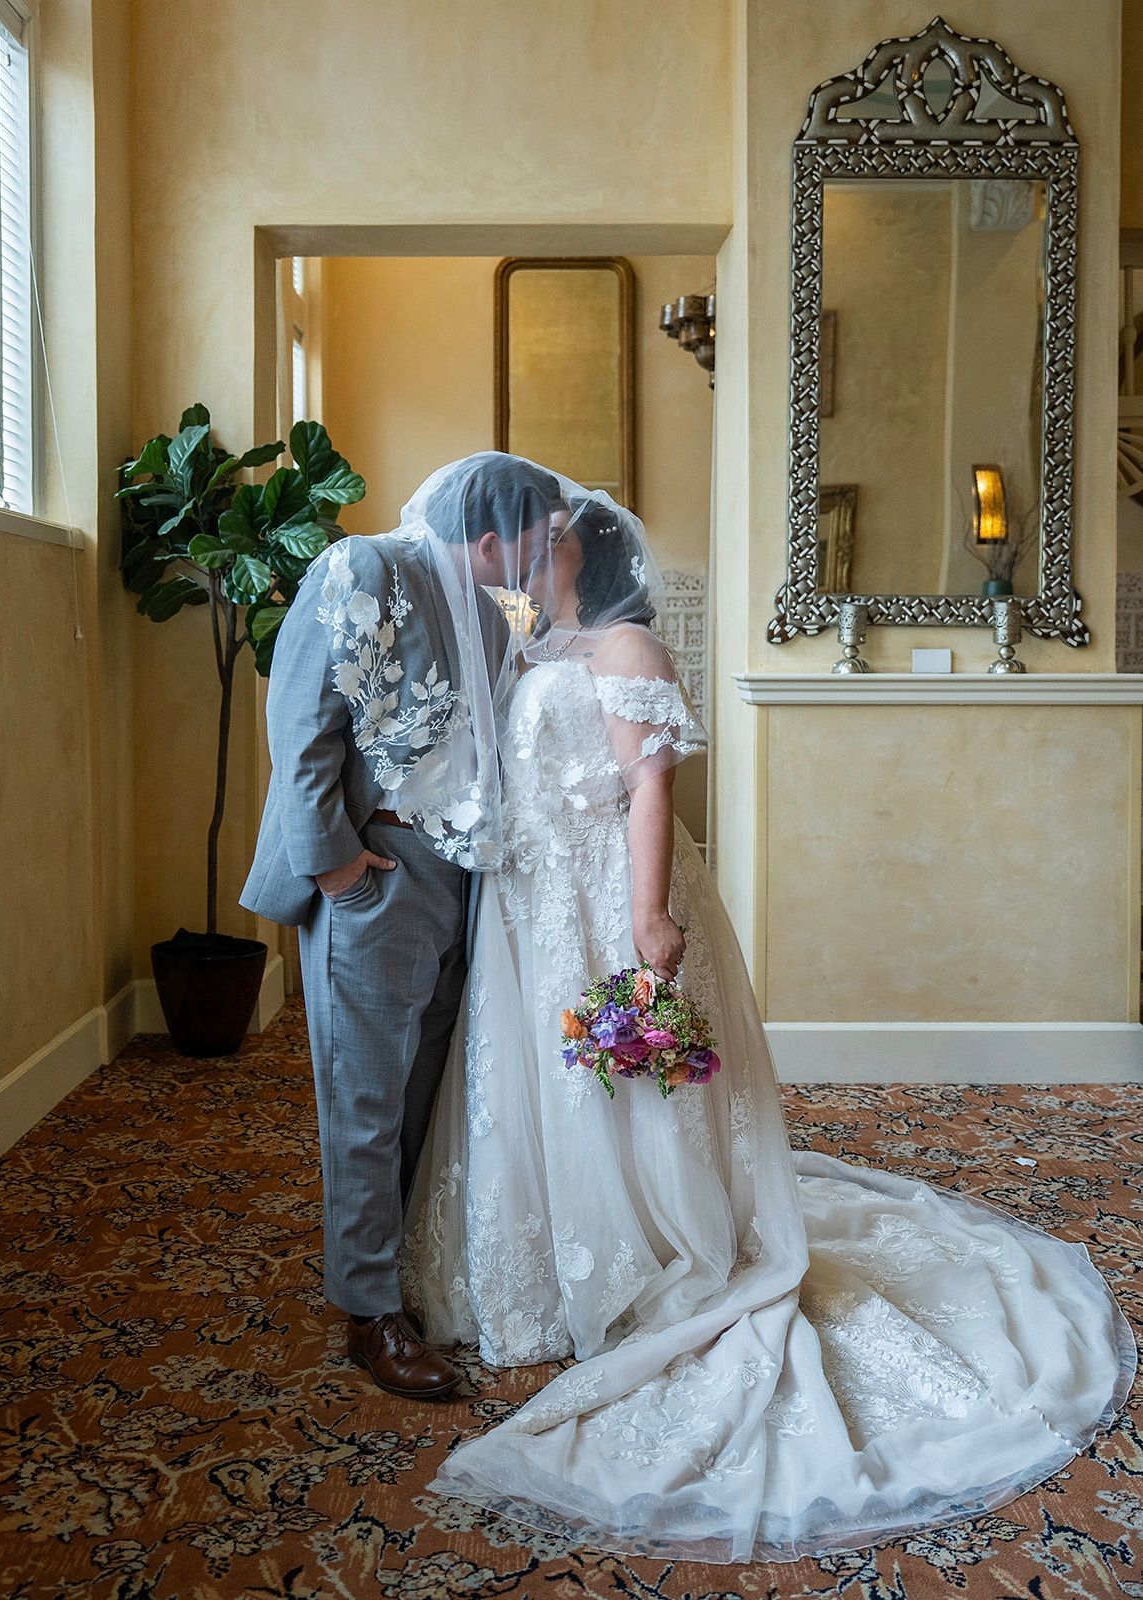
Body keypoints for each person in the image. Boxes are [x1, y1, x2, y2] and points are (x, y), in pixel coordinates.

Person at [400, 476, 1135, 1562]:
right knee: (539, 1087)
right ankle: (553, 1261)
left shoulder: (627, 650)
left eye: (548, 539)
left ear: (579, 553)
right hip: (533, 904)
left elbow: (650, 791)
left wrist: (647, 919)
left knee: (629, 1088)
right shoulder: (542, 652)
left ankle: (653, 1245)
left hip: (606, 897)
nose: (529, 551)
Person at [241, 452, 558, 1400]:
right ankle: (369, 1311)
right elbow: (298, 718)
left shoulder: (496, 618)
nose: (539, 563)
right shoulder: (362, 567)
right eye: (533, 544)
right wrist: (333, 861)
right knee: (365, 1099)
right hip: (371, 867)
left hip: (461, 881)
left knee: (429, 1086)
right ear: (492, 534)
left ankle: (407, 1272)